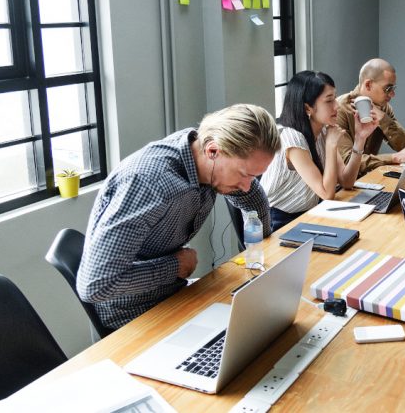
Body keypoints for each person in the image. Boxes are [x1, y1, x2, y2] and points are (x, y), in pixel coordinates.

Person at [77, 104, 281, 330]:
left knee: (265, 324)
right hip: (135, 315)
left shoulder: (200, 151)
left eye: (254, 176)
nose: (246, 186)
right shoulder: (148, 184)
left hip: (175, 292)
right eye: (244, 175)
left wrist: (262, 245)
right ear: (213, 151)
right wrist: (174, 266)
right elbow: (96, 285)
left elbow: (252, 197)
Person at [260, 70, 379, 231]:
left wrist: (360, 139)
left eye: (335, 97)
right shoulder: (292, 139)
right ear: (308, 108)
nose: (337, 105)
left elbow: (347, 181)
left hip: (309, 213)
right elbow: (326, 194)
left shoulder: (324, 130)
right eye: (329, 100)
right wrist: (330, 146)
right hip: (278, 220)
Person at [335, 58, 405, 174]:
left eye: (393, 88)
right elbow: (347, 161)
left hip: (367, 179)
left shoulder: (383, 108)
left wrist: (384, 119)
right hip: (341, 187)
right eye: (388, 89)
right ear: (368, 85)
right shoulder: (340, 110)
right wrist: (393, 158)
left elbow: (404, 145)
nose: (392, 94)